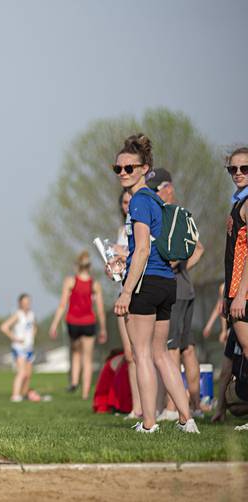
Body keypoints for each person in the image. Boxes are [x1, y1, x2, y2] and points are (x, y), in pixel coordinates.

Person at [112, 134, 198, 434]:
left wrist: (125, 291)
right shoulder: (154, 199)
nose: (123, 173)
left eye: (129, 168)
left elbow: (144, 250)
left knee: (143, 355)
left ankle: (149, 424)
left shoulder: (137, 201)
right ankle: (187, 420)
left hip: (145, 284)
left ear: (144, 168)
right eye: (118, 168)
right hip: (165, 282)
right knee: (162, 354)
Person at [146, 168, 205, 421]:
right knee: (187, 349)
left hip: (177, 290)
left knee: (171, 350)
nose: (154, 194)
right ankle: (196, 406)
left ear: (168, 188)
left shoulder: (171, 214)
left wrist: (176, 266)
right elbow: (198, 248)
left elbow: (198, 249)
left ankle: (172, 408)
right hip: (184, 288)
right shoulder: (181, 215)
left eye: (157, 189)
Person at [213, 146, 248, 430]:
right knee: (233, 353)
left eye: (244, 169)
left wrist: (239, 294)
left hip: (244, 293)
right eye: (232, 169)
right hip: (235, 291)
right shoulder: (238, 203)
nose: (238, 174)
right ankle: (220, 408)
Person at [49, 251, 107, 400]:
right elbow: (100, 309)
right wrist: (103, 329)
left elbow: (62, 305)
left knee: (75, 352)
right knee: (87, 359)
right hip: (89, 323)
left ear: (77, 266)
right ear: (89, 266)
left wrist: (54, 324)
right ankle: (85, 392)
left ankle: (74, 382)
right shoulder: (95, 284)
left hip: (73, 322)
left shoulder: (70, 281)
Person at [112, 189, 142, 420]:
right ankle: (137, 407)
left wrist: (125, 253)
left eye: (129, 201)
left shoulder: (143, 225)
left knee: (147, 353)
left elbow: (143, 253)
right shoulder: (122, 230)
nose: (126, 205)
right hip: (122, 291)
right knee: (130, 355)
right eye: (123, 202)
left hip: (140, 293)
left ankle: (156, 406)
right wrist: (112, 266)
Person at [0, 294, 37, 402]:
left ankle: (24, 394)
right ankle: (15, 395)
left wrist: (32, 336)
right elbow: (4, 327)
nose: (27, 304)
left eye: (28, 302)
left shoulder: (31, 314)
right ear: (20, 303)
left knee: (28, 374)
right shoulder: (18, 315)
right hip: (19, 347)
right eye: (24, 302)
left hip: (29, 347)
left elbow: (34, 327)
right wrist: (15, 338)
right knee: (21, 373)